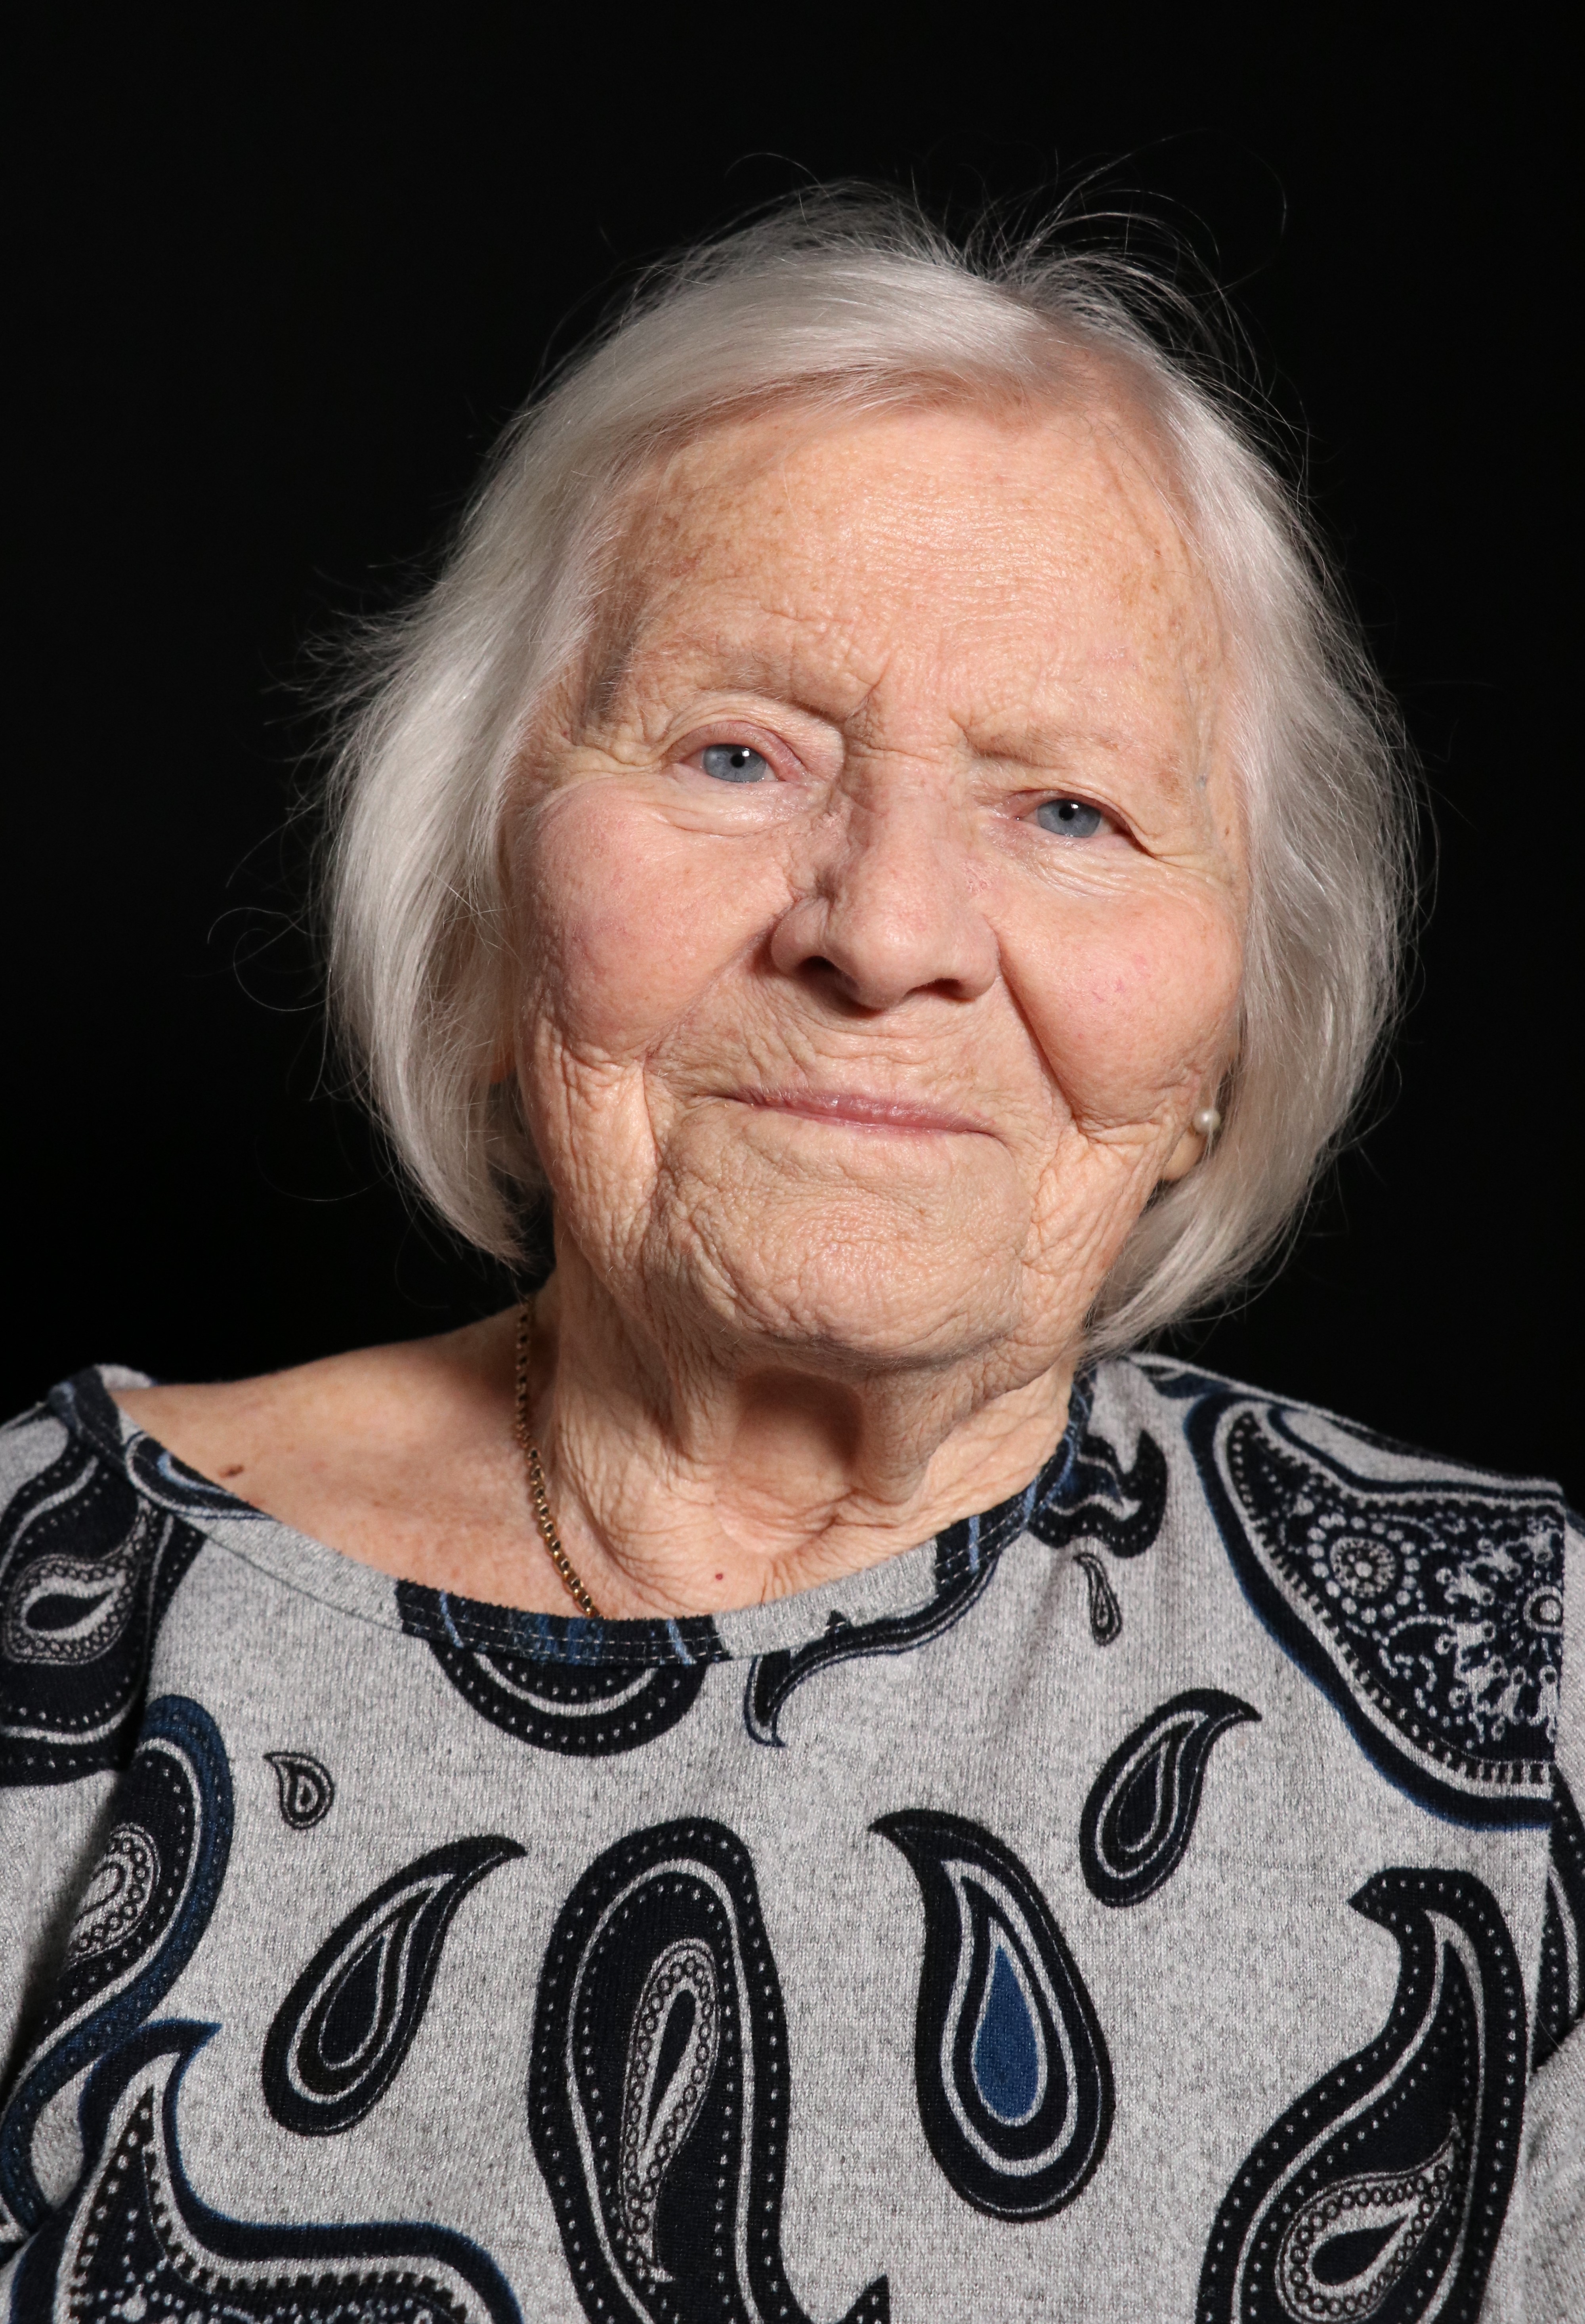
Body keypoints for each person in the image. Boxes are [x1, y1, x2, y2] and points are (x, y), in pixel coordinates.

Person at [1, 195, 1577, 2322]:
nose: (886, 931)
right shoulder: (50, 1602)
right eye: (738, 755)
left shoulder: (1527, 1708)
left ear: (1228, 1034)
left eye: (1070, 812)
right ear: (485, 892)